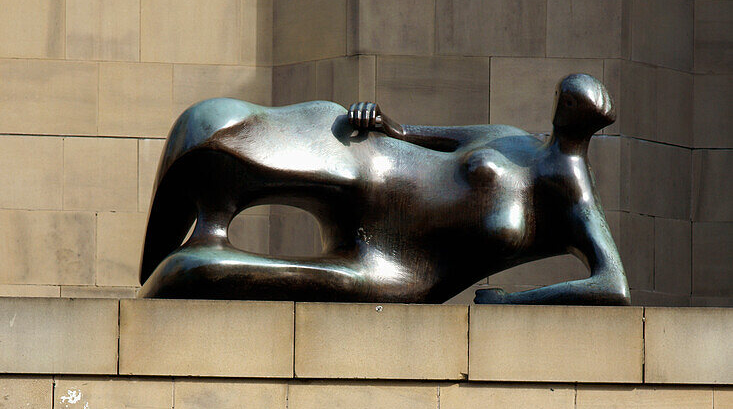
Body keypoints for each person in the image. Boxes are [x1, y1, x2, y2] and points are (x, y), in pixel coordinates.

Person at [138, 74, 629, 305]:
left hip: (397, 266)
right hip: (379, 167)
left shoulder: (573, 195)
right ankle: (210, 213)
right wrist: (381, 120)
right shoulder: (510, 138)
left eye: (570, 104)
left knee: (199, 272)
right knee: (216, 124)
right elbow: (413, 133)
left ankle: (198, 251)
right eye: (561, 97)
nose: (559, 108)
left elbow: (612, 285)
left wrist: (511, 304)